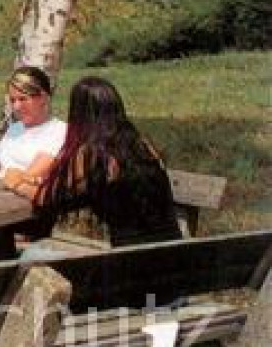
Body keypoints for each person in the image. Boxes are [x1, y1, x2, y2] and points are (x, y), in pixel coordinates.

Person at [17, 76, 182, 253]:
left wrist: (14, 180)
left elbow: (46, 198)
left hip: (131, 265)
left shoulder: (92, 154)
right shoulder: (143, 145)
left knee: (31, 254)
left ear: (78, 113)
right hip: (177, 255)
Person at [0, 65, 67, 197]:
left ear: (43, 97)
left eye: (23, 99)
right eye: (13, 100)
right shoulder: (16, 128)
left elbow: (30, 176)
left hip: (18, 201)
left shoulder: (59, 131)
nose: (16, 106)